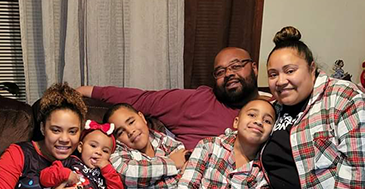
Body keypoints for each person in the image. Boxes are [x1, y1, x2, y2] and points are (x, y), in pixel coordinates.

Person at [258, 26, 365, 189]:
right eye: (273, 74)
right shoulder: (273, 109)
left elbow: (358, 167)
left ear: (312, 68)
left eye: (290, 71)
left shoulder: (343, 97)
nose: (280, 81)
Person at [76, 47, 261, 149]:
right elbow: (143, 99)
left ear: (254, 68)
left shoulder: (275, 111)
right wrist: (86, 90)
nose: (228, 73)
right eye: (220, 71)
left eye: (236, 66)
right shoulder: (197, 101)